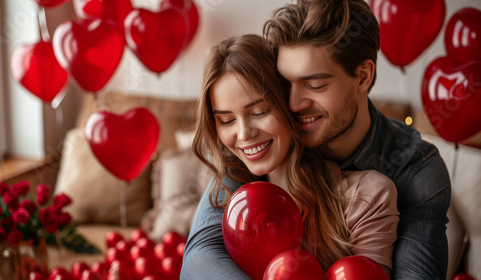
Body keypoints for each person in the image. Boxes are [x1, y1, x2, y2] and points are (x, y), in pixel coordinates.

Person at [182, 0, 451, 279]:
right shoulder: (260, 146)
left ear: (363, 76)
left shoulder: (415, 168)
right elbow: (201, 256)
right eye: (286, 84)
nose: (294, 103)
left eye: (315, 85)